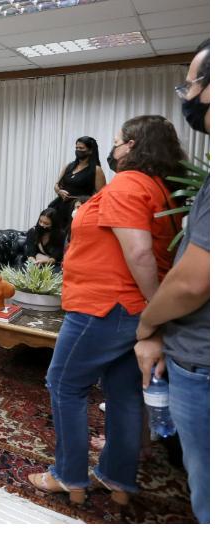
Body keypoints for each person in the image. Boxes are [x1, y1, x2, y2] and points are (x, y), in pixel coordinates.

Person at [28, 115, 185, 506]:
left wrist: (156, 312)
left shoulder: (129, 184)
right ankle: (117, 479)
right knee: (123, 392)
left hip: (106, 305)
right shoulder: (160, 188)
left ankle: (69, 476)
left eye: (116, 141)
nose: (112, 149)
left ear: (132, 145)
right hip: (130, 309)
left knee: (64, 384)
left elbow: (140, 254)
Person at [134, 39, 210, 524]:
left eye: (192, 84)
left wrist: (148, 324)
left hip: (203, 360)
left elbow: (192, 282)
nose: (188, 96)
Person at [48, 136, 106, 230]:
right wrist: (59, 191)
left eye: (81, 148)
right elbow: (56, 185)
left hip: (77, 210)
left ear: (90, 151)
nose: (78, 150)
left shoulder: (96, 170)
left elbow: (101, 196)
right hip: (60, 206)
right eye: (76, 148)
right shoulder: (69, 166)